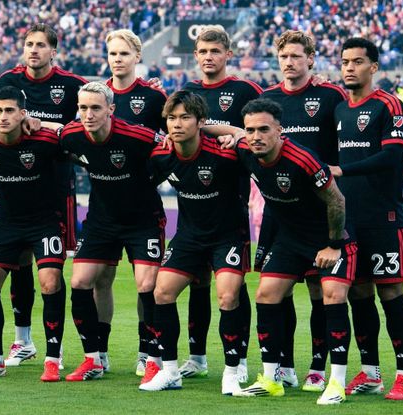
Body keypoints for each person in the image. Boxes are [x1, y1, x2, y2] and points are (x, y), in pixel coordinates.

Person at [230, 99, 354, 405]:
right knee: (266, 294)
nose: (255, 136)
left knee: (333, 297)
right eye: (250, 130)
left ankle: (336, 383)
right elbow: (228, 130)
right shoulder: (246, 149)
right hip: (289, 239)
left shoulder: (303, 159)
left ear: (279, 131)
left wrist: (333, 245)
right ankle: (271, 379)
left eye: (263, 129)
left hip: (327, 239)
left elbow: (337, 201)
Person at [138, 91, 251, 395]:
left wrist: (236, 133)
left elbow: (258, 160)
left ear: (201, 121)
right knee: (162, 291)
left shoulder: (225, 153)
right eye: (172, 118)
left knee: (228, 297)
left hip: (228, 235)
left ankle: (231, 372)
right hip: (189, 236)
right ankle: (170, 372)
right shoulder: (161, 155)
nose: (177, 124)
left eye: (185, 117)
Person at [0, 23, 86, 368]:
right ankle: (22, 340)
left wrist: (42, 124)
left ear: (53, 51)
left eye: (41, 45)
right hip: (16, 188)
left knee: (51, 271)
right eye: (29, 44)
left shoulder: (71, 85)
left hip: (57, 190)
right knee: (18, 265)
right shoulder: (7, 82)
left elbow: (84, 124)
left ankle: (55, 349)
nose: (34, 50)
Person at [259, 30, 348, 391]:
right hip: (279, 214)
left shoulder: (330, 95)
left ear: (310, 59)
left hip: (321, 211)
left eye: (296, 56)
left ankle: (317, 366)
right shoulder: (267, 99)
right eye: (284, 57)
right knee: (276, 290)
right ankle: (283, 365)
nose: (289, 62)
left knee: (317, 290)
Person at [330, 37, 403, 401]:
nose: (349, 67)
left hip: (384, 217)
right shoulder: (337, 108)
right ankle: (370, 373)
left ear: (374, 67)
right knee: (359, 295)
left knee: (391, 292)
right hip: (349, 219)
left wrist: (342, 170)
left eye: (358, 62)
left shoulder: (388, 104)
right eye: (345, 61)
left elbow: (392, 157)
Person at [59, 82, 165, 382]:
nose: (89, 114)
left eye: (95, 108)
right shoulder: (72, 135)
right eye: (83, 108)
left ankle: (151, 356)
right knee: (81, 282)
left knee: (147, 286)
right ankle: (94, 357)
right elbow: (58, 144)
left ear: (111, 110)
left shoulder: (138, 135)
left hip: (143, 219)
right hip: (102, 220)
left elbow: (171, 150)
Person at [0, 86, 67, 382]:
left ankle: (52, 357)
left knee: (50, 283)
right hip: (7, 223)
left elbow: (68, 133)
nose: (3, 116)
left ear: (23, 114)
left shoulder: (44, 138)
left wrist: (42, 122)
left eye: (10, 111)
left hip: (46, 222)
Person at [179, 25, 262, 381]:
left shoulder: (245, 90)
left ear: (227, 54)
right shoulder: (186, 93)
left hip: (231, 204)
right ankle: (197, 357)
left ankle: (238, 360)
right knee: (196, 283)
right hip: (192, 205)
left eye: (215, 51)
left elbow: (269, 124)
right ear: (195, 55)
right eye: (202, 51)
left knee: (233, 286)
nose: (208, 57)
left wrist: (239, 135)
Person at [98, 29, 168, 374]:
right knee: (100, 280)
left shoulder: (154, 97)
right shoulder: (96, 94)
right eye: (112, 53)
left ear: (137, 57)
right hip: (103, 205)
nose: (117, 59)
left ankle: (146, 351)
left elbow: (169, 143)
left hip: (143, 205)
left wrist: (155, 177)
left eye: (124, 54)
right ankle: (100, 351)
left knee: (147, 283)